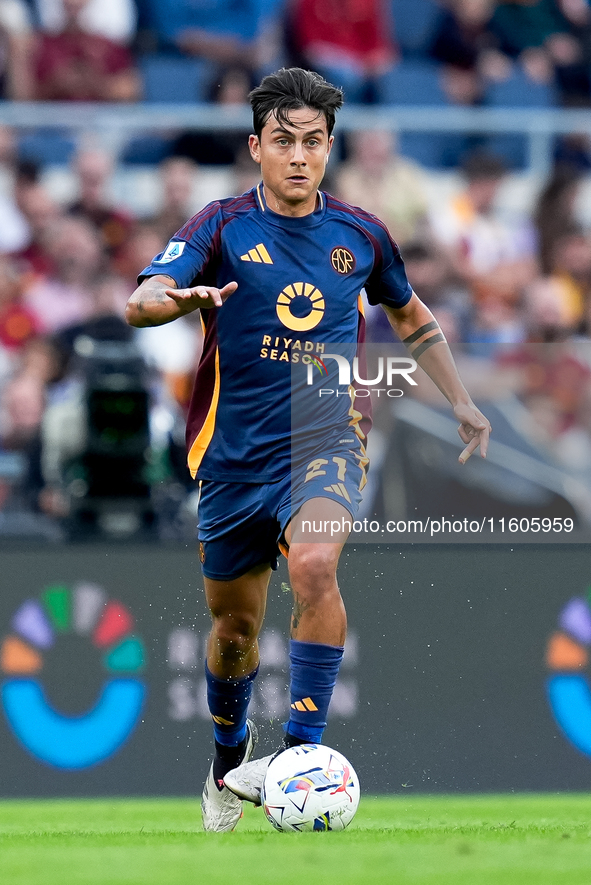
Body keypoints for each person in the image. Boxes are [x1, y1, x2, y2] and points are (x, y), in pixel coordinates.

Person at [125, 67, 491, 833]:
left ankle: (300, 759)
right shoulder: (219, 226)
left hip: (325, 438)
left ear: (330, 149)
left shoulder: (359, 234)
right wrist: (178, 302)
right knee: (232, 632)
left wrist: (459, 398)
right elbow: (140, 299)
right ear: (255, 147)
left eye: (314, 142)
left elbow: (411, 311)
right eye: (284, 142)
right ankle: (228, 761)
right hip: (231, 459)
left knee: (316, 564)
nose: (299, 156)